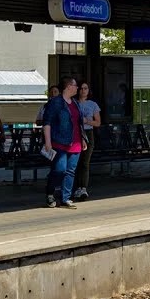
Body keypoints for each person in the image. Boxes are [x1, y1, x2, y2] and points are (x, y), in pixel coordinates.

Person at [42, 77, 85, 209]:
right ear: (68, 87)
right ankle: (50, 194)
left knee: (70, 171)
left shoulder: (75, 103)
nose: (77, 88)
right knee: (59, 169)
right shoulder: (55, 103)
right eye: (75, 86)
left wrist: (83, 139)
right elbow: (47, 123)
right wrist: (48, 142)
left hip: (76, 142)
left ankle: (66, 198)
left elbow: (78, 123)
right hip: (59, 142)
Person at [74, 81, 102, 201]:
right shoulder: (73, 103)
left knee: (85, 162)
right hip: (76, 133)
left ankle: (83, 187)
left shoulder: (93, 104)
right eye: (81, 88)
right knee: (75, 162)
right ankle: (76, 187)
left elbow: (98, 122)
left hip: (88, 132)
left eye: (85, 88)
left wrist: (87, 121)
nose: (83, 90)